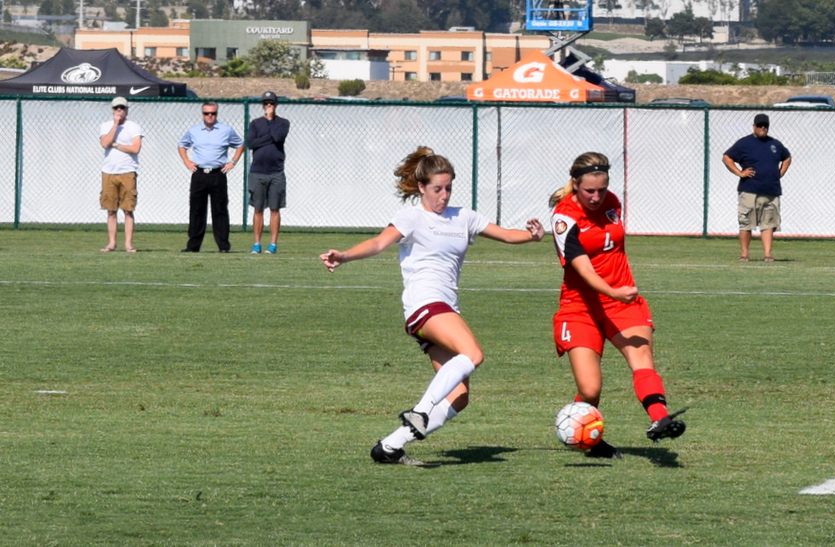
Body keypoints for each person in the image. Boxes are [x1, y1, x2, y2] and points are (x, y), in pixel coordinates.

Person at [320, 146, 545, 465]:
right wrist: (344, 256)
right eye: (437, 188)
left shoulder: (463, 217)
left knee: (459, 396)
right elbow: (378, 243)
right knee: (473, 354)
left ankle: (389, 447)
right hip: (425, 304)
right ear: (422, 187)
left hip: (443, 309)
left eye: (449, 187)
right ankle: (421, 411)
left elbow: (507, 235)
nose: (444, 195)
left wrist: (532, 236)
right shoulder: (411, 217)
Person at [549, 152, 686, 460]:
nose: (597, 197)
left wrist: (617, 294)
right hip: (580, 305)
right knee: (590, 390)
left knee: (642, 357)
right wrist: (613, 291)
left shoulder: (612, 202)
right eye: (589, 191)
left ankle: (660, 417)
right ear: (575, 184)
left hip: (622, 302)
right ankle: (588, 440)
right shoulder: (564, 217)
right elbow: (582, 269)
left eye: (602, 189)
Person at [722, 113, 792, 263]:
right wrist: (740, 173)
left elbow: (787, 157)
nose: (762, 128)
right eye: (759, 125)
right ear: (754, 126)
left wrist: (779, 173)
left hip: (771, 191)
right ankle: (744, 254)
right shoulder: (744, 143)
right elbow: (727, 158)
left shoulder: (775, 144)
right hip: (749, 190)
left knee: (768, 223)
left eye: (765, 126)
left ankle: (767, 255)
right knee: (746, 222)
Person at [177, 101, 245, 253]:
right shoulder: (194, 131)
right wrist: (187, 161)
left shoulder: (226, 130)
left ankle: (223, 246)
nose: (210, 116)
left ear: (216, 114)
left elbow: (241, 144)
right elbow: (182, 145)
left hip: (218, 174)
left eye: (213, 113)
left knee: (220, 210)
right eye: (207, 113)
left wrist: (232, 162)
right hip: (199, 174)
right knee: (196, 210)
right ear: (202, 114)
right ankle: (193, 246)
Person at [246, 91, 290, 254]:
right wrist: (267, 137)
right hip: (258, 172)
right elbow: (251, 143)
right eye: (266, 103)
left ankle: (273, 244)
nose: (268, 106)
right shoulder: (255, 123)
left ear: (276, 104)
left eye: (271, 103)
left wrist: (270, 123)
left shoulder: (283, 123)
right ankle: (257, 243)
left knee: (274, 209)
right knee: (258, 209)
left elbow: (278, 137)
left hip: (276, 172)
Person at [98, 96, 144, 253]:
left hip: (128, 172)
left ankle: (128, 244)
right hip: (109, 172)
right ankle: (111, 243)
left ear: (126, 110)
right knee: (111, 210)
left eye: (122, 108)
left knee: (128, 210)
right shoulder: (106, 126)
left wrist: (116, 144)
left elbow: (135, 148)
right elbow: (105, 143)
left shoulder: (134, 127)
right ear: (112, 109)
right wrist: (116, 125)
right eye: (117, 108)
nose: (119, 111)